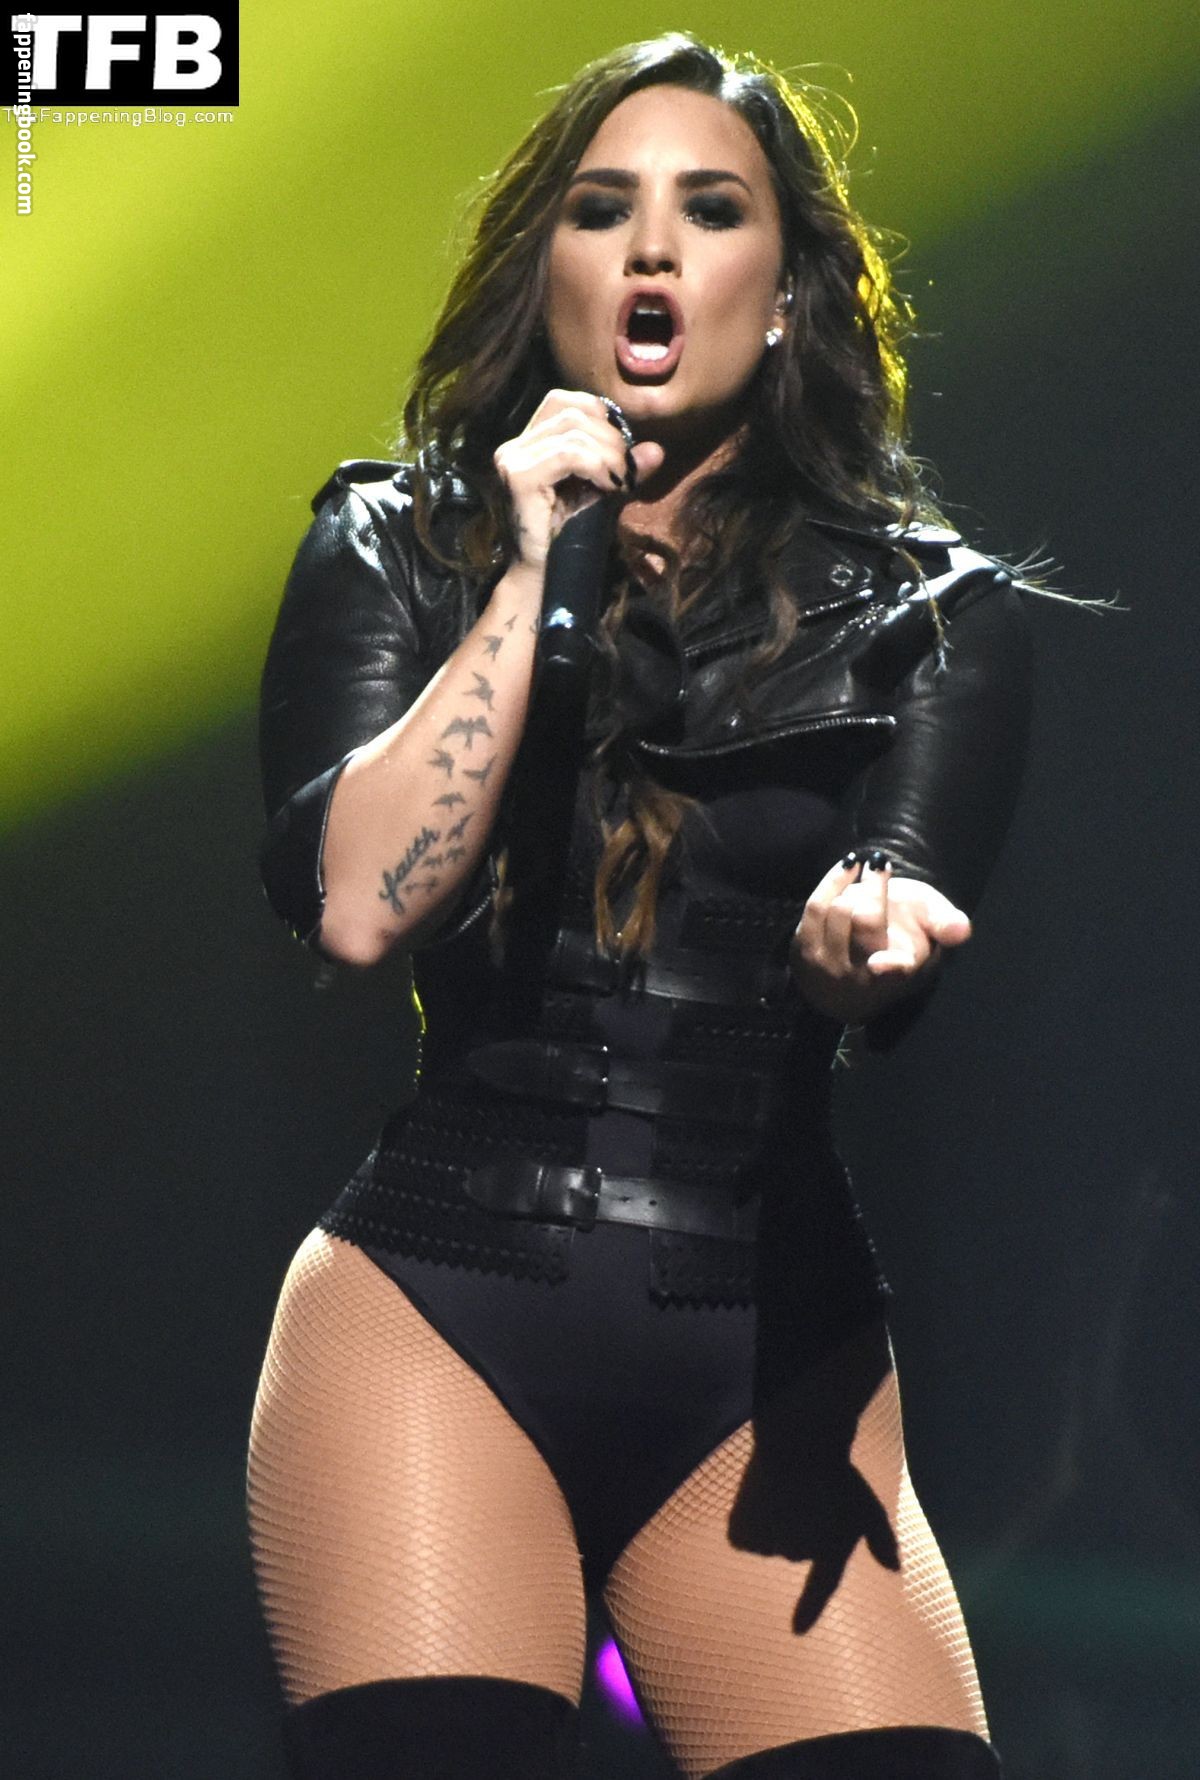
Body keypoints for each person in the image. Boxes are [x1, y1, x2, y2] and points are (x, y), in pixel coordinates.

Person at [248, 32, 1035, 1780]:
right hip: (441, 1306)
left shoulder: (928, 616)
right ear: (548, 275)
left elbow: (897, 894)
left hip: (766, 1347)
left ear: (788, 289)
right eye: (604, 210)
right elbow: (359, 906)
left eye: (712, 210)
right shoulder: (395, 542)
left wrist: (863, 933)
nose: (655, 248)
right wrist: (533, 559)